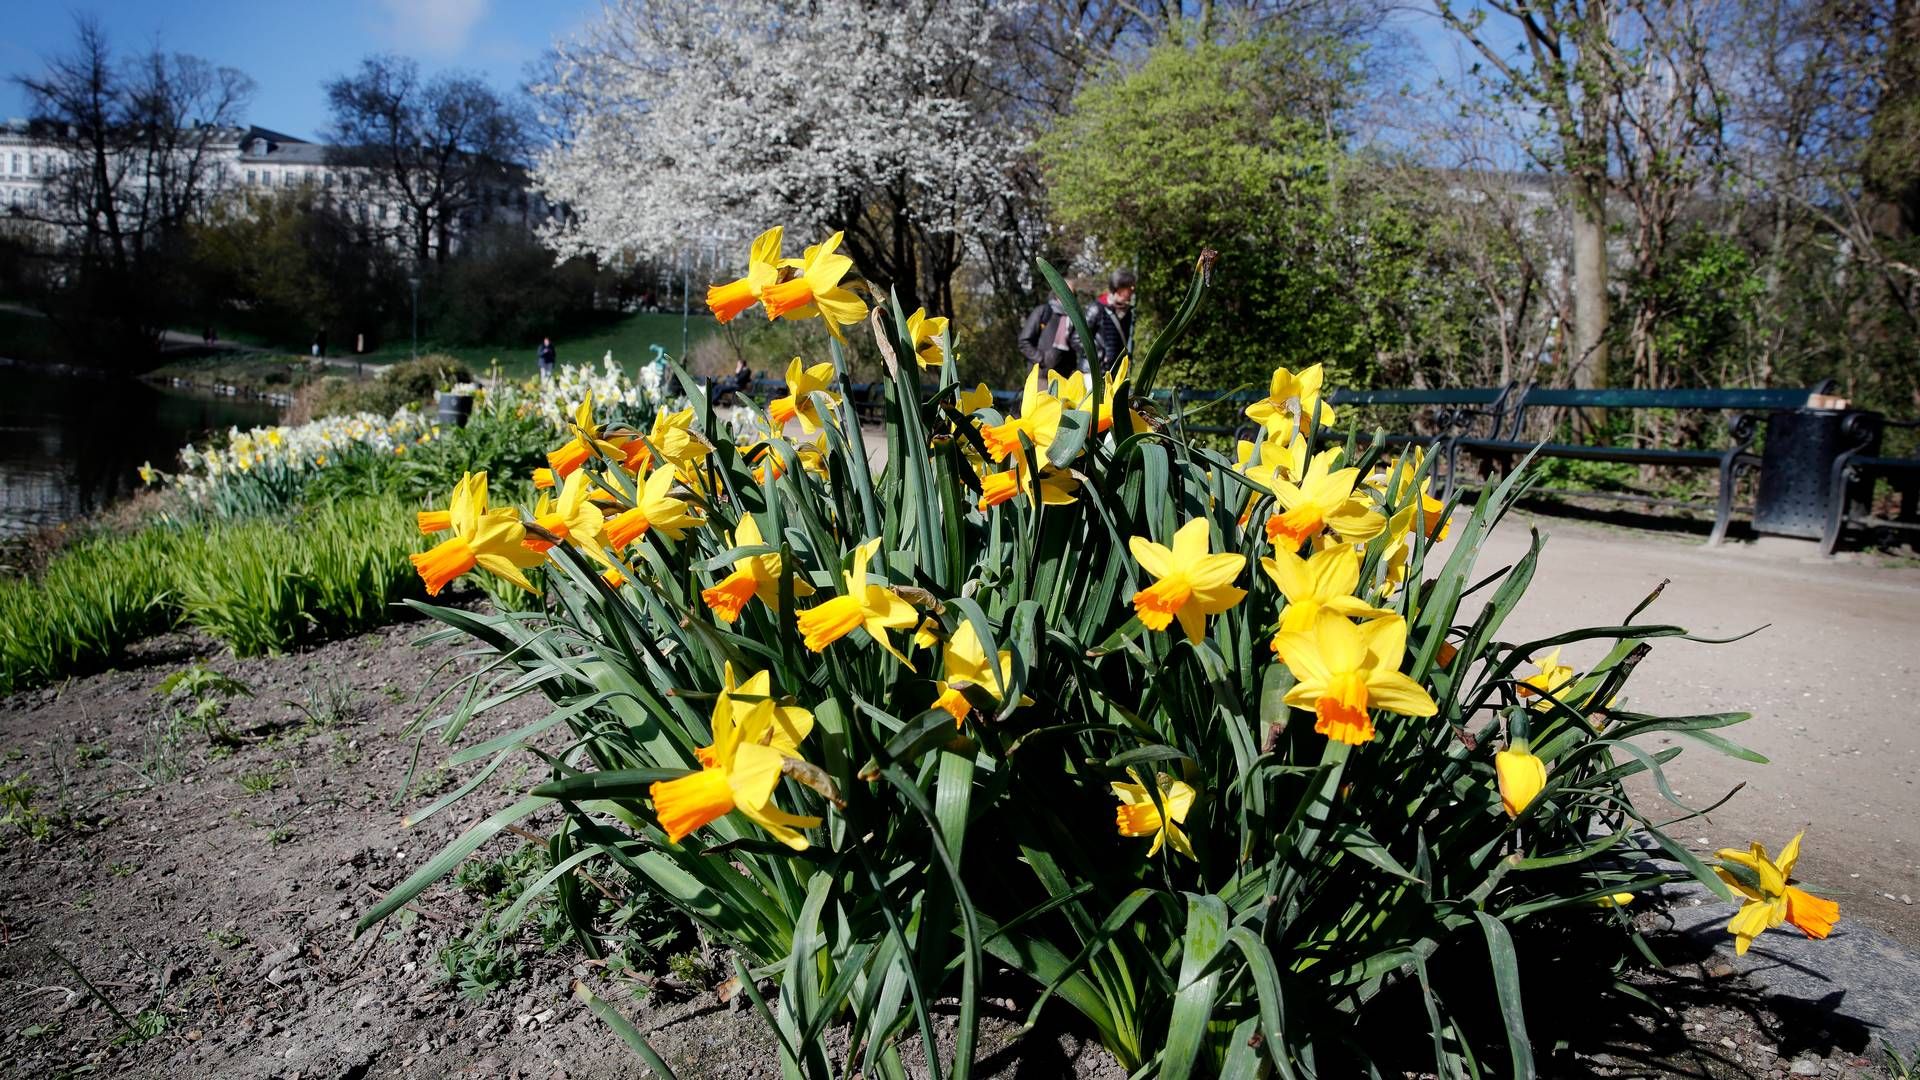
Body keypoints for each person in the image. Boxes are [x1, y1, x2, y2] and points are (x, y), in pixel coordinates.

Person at [1017, 294, 1086, 378]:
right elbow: (1024, 342)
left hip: (1064, 376)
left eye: (1073, 295)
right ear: (1057, 294)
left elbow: (1074, 346)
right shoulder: (1044, 311)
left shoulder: (1073, 319)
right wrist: (1042, 359)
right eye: (1067, 294)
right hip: (1042, 376)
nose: (1071, 299)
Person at [1091, 270, 1135, 368]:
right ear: (1118, 289)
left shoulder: (1127, 312)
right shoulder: (1096, 309)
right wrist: (1100, 355)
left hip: (1115, 370)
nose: (1132, 290)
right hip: (1094, 371)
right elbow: (1078, 338)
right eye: (1129, 287)